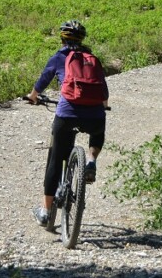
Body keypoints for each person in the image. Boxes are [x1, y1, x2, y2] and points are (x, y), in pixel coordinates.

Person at [25, 19, 108, 228]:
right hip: (94, 115)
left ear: (62, 38)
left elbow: (43, 81)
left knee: (55, 158)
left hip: (67, 114)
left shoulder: (58, 58)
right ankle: (91, 160)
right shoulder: (92, 59)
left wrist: (33, 96)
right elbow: (104, 92)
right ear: (82, 39)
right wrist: (103, 106)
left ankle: (45, 211)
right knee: (97, 130)